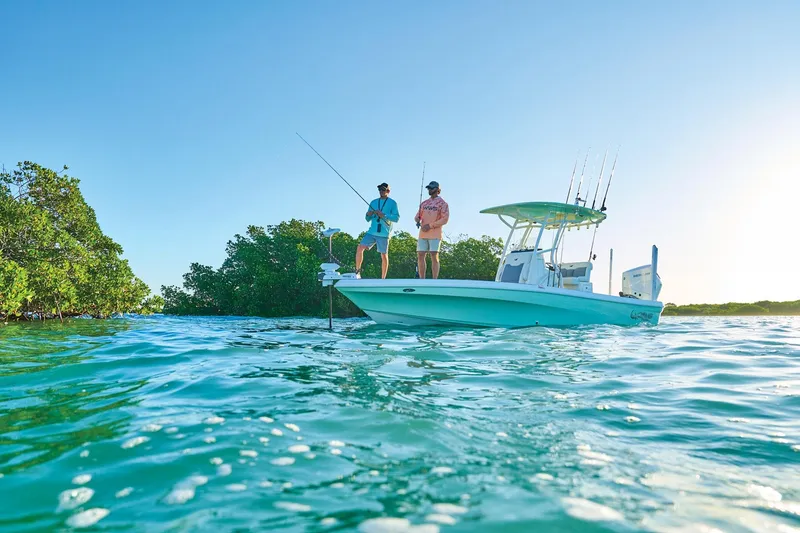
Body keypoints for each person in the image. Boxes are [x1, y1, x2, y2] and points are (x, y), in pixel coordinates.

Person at [356, 182, 400, 279]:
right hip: (372, 231)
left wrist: (384, 215)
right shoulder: (373, 202)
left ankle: (383, 278)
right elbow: (367, 219)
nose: (381, 191)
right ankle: (357, 272)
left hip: (384, 233)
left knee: (384, 255)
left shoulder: (393, 203)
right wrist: (369, 214)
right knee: (360, 247)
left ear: (388, 191)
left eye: (383, 190)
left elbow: (396, 218)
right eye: (380, 189)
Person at [414, 180, 449, 279]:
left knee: (434, 255)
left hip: (435, 234)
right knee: (420, 254)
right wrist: (417, 219)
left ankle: (434, 279)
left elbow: (445, 219)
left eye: (431, 188)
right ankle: (422, 279)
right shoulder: (424, 203)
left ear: (437, 190)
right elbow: (417, 216)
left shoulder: (443, 203)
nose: (429, 190)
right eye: (428, 188)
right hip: (423, 233)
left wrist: (430, 225)